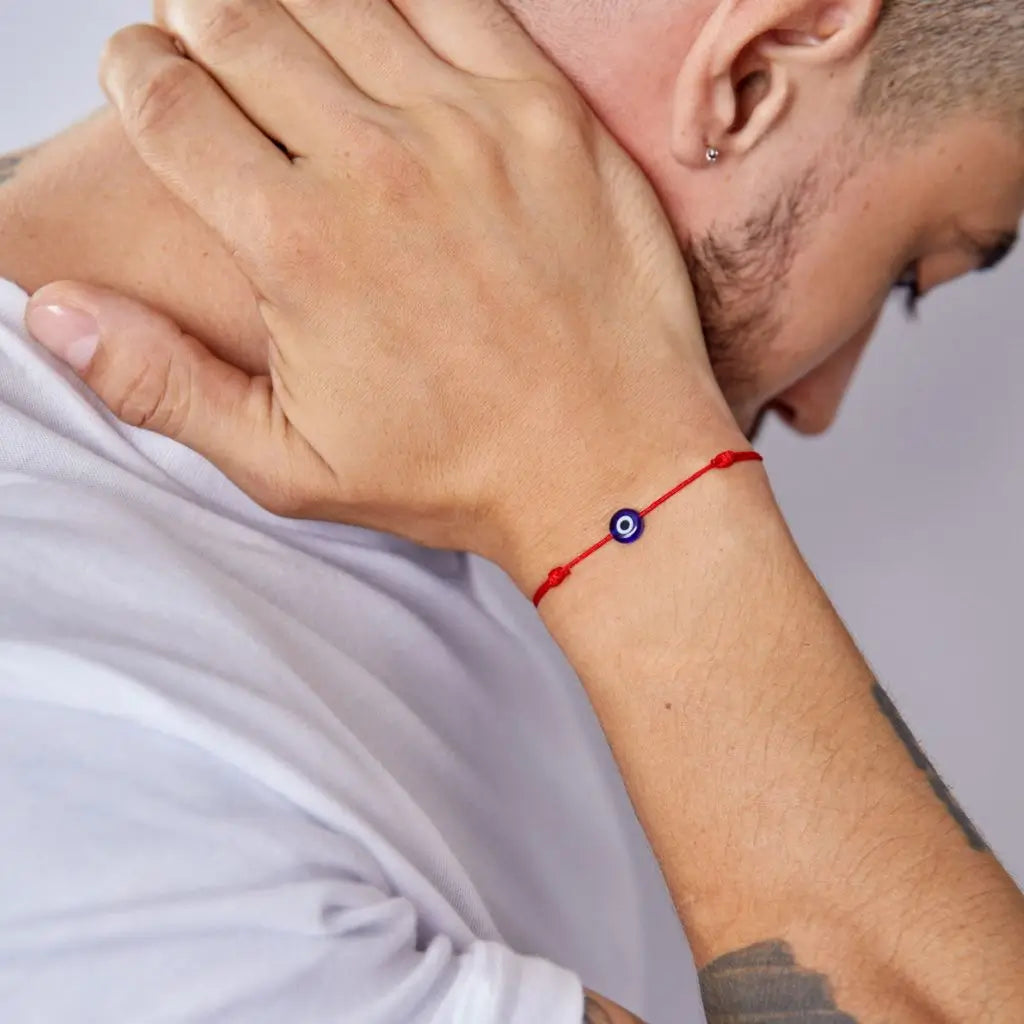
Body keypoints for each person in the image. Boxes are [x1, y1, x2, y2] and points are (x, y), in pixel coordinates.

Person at [0, 2, 1021, 1023]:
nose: (820, 405)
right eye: (907, 272)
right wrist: (630, 488)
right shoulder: (95, 788)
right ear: (757, 64)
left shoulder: (460, 501)